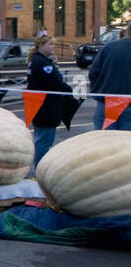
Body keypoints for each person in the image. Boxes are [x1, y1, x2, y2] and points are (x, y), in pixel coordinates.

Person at [25, 33, 75, 171]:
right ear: (41, 46)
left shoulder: (38, 61)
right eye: (50, 44)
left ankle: (38, 169)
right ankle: (40, 171)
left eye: (54, 44)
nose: (53, 47)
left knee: (41, 139)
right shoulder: (42, 63)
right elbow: (55, 83)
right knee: (44, 141)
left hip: (40, 106)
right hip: (46, 107)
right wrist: (69, 90)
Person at [89, 27, 131, 131]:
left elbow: (94, 73)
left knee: (105, 143)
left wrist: (98, 91)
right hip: (127, 105)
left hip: (107, 101)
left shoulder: (109, 47)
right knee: (127, 143)